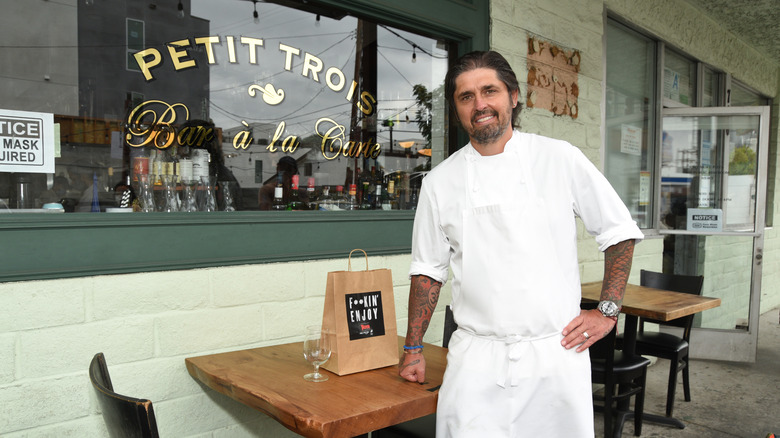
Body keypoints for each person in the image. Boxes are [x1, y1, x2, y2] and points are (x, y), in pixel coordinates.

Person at [398, 50, 644, 437]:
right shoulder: (439, 183)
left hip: (555, 355)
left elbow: (619, 233)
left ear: (512, 96)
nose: (480, 105)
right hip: (476, 360)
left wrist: (608, 310)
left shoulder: (559, 158)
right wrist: (413, 349)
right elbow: (428, 271)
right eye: (466, 97)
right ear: (457, 109)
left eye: (489, 91)